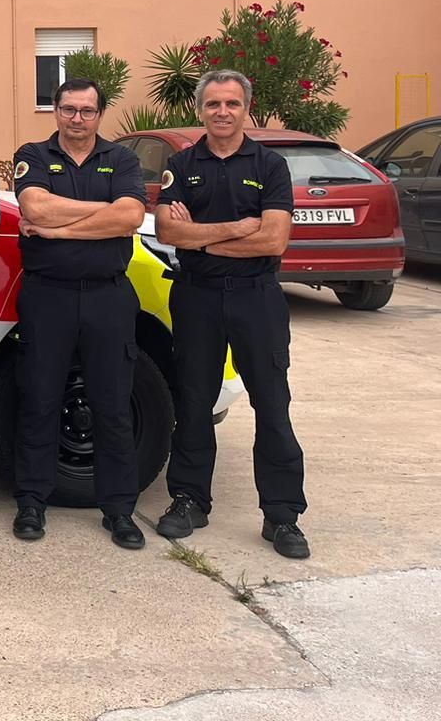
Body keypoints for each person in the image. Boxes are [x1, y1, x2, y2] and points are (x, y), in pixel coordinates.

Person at [153, 69, 309, 559]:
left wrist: (202, 233)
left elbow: (274, 239)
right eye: (214, 104)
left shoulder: (270, 165)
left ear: (246, 109)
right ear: (200, 109)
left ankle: (282, 515)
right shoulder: (181, 163)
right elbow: (170, 235)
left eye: (232, 104)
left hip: (255, 297)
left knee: (272, 402)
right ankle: (189, 499)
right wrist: (239, 227)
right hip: (196, 296)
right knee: (193, 401)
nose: (223, 112)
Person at [11, 78, 148, 550]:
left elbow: (130, 217)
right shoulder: (32, 153)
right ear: (55, 110)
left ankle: (119, 511)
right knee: (39, 401)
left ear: (99, 114)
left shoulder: (123, 159)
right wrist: (101, 214)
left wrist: (59, 230)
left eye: (87, 111)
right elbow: (35, 207)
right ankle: (31, 502)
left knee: (112, 406)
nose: (77, 119)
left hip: (108, 298)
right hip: (47, 297)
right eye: (69, 109)